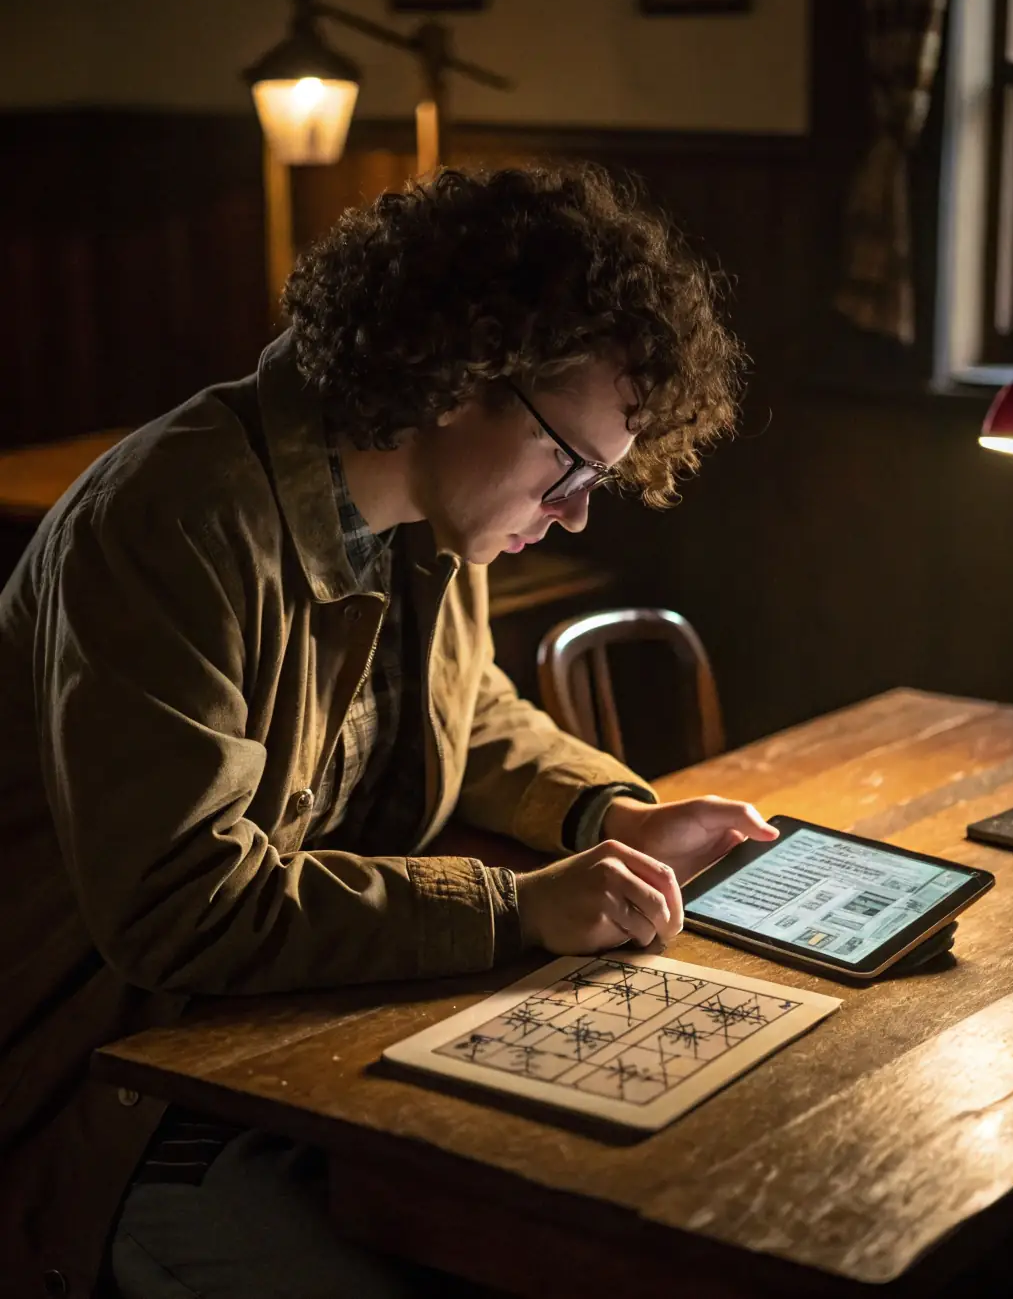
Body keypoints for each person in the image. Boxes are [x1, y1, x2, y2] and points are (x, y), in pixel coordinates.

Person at [0, 162, 778, 1299]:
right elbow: (178, 910)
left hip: (294, 1039)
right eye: (568, 464)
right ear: (466, 374)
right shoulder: (174, 519)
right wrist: (517, 907)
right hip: (108, 1091)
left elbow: (466, 713)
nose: (573, 510)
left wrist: (608, 810)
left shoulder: (421, 509)